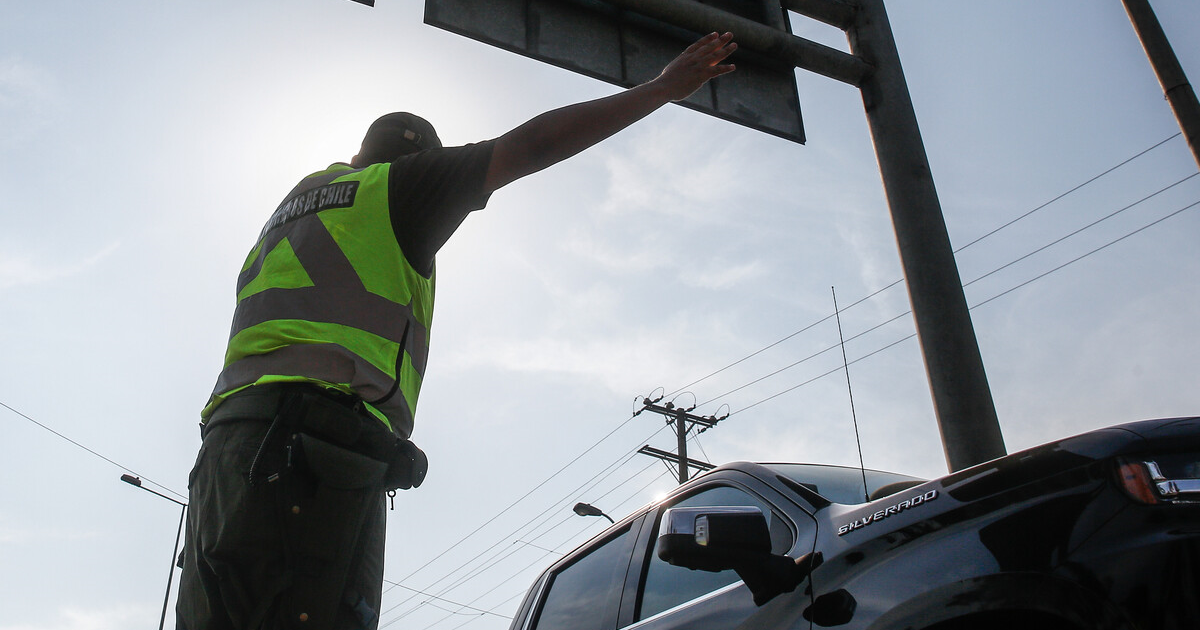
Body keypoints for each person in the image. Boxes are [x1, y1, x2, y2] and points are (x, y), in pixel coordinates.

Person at [177, 32, 738, 630]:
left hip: (225, 458)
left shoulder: (291, 211)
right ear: (418, 160)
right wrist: (661, 88)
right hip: (310, 459)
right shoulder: (399, 189)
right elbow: (532, 145)